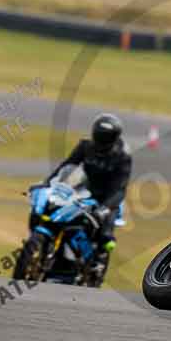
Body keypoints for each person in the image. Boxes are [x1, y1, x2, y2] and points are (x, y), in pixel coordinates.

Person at [41, 113, 132, 274]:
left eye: (104, 140)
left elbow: (120, 187)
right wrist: (49, 182)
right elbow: (68, 165)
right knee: (59, 213)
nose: (99, 144)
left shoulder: (122, 156)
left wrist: (104, 208)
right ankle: (57, 254)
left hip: (110, 197)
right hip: (85, 191)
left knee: (105, 233)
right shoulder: (85, 146)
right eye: (98, 138)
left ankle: (98, 261)